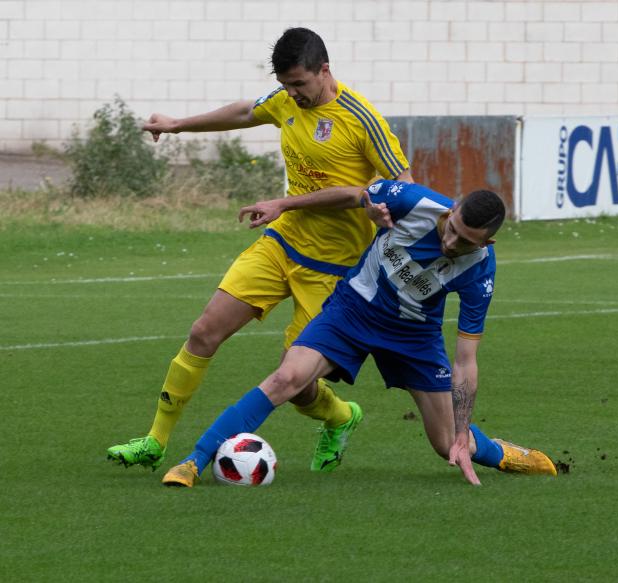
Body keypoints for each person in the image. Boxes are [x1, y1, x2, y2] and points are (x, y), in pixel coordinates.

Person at [107, 27, 413, 473]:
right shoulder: (287, 99)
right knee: (203, 332)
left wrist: (294, 202)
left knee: (299, 387)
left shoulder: (361, 119)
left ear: (324, 70)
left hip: (335, 271)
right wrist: (176, 125)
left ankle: (342, 416)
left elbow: (398, 188)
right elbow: (247, 111)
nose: (291, 94)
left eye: (299, 84)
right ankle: (155, 441)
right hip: (283, 242)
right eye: (285, 84)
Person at [161, 180, 558, 487]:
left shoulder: (479, 270)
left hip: (414, 336)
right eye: (451, 228)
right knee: (288, 377)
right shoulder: (412, 201)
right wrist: (291, 204)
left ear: (487, 242)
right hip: (352, 310)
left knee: (445, 445)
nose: (450, 242)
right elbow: (353, 195)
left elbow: (466, 360)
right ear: (452, 208)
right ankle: (195, 460)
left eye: (465, 241)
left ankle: (506, 454)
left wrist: (461, 429)